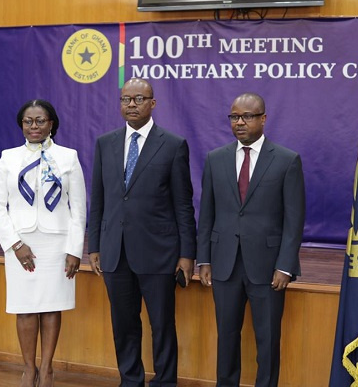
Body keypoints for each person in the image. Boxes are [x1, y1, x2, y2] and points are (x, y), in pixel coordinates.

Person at [88, 78, 197, 387]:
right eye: (126, 99)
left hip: (158, 252)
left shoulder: (173, 145)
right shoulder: (105, 143)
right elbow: (99, 199)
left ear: (153, 103)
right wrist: (94, 244)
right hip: (115, 251)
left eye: (139, 99)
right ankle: (131, 380)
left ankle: (165, 381)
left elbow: (183, 204)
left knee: (162, 325)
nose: (131, 104)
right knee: (123, 324)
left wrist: (187, 254)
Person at [197, 92, 305, 387]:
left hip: (268, 268)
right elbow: (207, 214)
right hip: (224, 264)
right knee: (226, 336)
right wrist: (203, 258)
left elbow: (294, 221)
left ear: (263, 119)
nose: (240, 122)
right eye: (234, 117)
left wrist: (285, 266)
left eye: (247, 116)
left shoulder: (286, 160)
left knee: (267, 339)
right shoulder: (215, 159)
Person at [0, 99, 86, 387]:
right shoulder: (8, 158)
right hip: (21, 245)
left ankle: (47, 369)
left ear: (51, 123)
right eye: (28, 121)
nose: (34, 126)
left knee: (51, 306)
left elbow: (79, 209)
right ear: (21, 125)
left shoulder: (68, 157)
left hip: (57, 245)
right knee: (25, 307)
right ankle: (28, 369)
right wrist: (15, 244)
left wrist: (74, 249)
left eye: (40, 120)